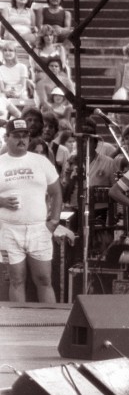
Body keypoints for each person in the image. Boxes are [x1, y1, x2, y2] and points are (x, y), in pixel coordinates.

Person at [0, 118, 62, 303]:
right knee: (16, 280)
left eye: (25, 136)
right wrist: (1, 201)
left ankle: (50, 328)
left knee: (44, 279)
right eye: (16, 136)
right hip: (9, 229)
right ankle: (20, 328)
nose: (22, 140)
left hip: (38, 228)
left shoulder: (41, 162)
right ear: (6, 137)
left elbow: (56, 192)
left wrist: (54, 221)